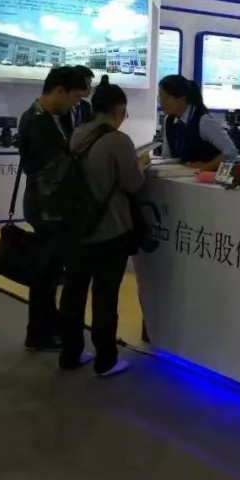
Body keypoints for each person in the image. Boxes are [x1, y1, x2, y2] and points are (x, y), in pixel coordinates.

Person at [58, 79, 147, 377]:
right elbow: (132, 184)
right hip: (110, 229)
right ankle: (105, 359)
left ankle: (70, 353)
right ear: (119, 110)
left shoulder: (78, 134)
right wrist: (140, 166)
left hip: (77, 226)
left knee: (74, 290)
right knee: (105, 295)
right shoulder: (119, 141)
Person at [16, 66, 85, 351]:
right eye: (75, 97)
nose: (76, 104)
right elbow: (50, 169)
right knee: (45, 274)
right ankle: (40, 333)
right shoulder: (38, 123)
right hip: (47, 209)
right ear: (59, 91)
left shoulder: (47, 117)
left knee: (48, 272)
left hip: (48, 206)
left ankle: (46, 328)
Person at [158, 74, 238, 171]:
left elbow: (231, 152)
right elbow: (167, 157)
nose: (160, 102)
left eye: (165, 97)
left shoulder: (203, 120)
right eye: (159, 96)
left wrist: (204, 167)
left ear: (182, 98)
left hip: (208, 178)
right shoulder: (168, 121)